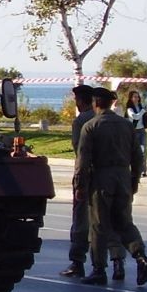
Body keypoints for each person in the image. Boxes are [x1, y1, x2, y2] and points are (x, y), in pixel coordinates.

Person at [74, 86, 147, 286]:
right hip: (123, 177)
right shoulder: (126, 125)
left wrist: (80, 186)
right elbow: (138, 156)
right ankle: (140, 256)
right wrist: (134, 181)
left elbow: (83, 161)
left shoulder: (91, 126)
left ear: (95, 103)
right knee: (124, 222)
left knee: (99, 225)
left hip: (101, 178)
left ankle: (99, 269)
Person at [59, 84, 95, 278]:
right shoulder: (105, 118)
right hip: (107, 176)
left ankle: (77, 261)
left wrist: (80, 181)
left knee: (81, 219)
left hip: (86, 174)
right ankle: (115, 263)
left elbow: (79, 151)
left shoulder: (81, 121)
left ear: (80, 101)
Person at [124, 89, 147, 177]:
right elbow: (135, 117)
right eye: (134, 97)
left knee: (143, 150)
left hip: (142, 131)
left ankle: (143, 170)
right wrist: (143, 111)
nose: (137, 98)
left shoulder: (141, 107)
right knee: (133, 151)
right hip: (133, 132)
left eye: (138, 97)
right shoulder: (129, 109)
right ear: (130, 98)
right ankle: (132, 169)